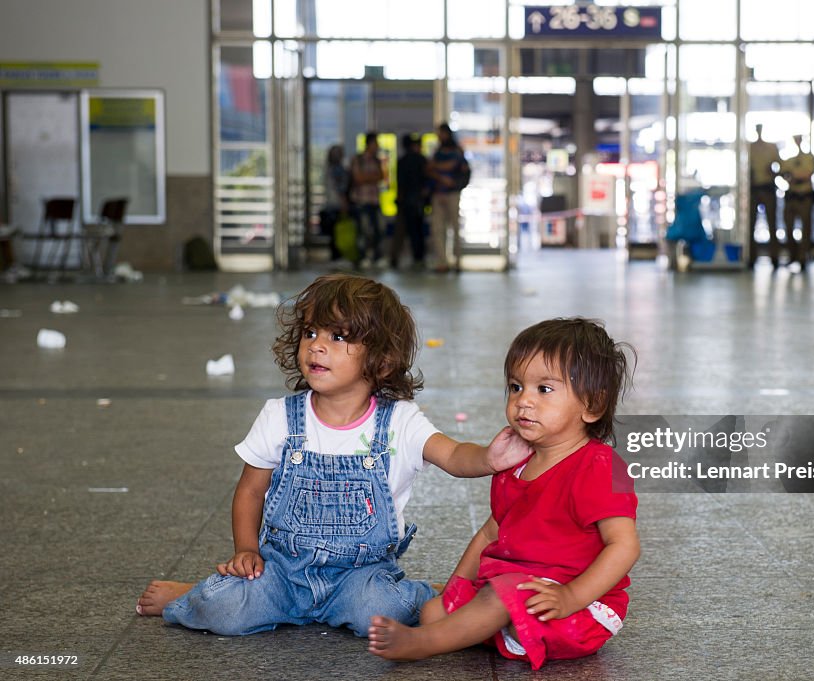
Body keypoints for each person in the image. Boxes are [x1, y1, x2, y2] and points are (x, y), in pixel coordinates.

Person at [136, 274, 531, 637]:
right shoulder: (280, 417)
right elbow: (251, 491)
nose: (317, 345)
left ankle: (428, 594)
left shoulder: (400, 422)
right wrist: (246, 550)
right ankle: (194, 595)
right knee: (223, 610)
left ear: (382, 358)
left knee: (379, 611)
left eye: (338, 337)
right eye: (310, 332)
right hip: (281, 573)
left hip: (360, 577)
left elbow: (453, 455)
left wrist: (489, 459)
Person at [368, 318, 640, 670]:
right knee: (434, 610)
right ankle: (479, 626)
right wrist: (457, 586)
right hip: (512, 587)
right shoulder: (516, 460)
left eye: (543, 389)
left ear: (592, 404)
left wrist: (571, 596)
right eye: (515, 387)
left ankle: (421, 644)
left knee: (497, 596)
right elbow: (491, 532)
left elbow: (624, 545)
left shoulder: (599, 466)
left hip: (578, 607)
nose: (523, 400)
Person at [428, 123, 467, 273]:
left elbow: (457, 167)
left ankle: (457, 261)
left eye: (441, 133)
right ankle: (442, 262)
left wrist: (438, 169)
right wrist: (441, 175)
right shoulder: (437, 151)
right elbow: (430, 169)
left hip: (452, 194)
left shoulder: (457, 151)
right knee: (437, 229)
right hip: (438, 194)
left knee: (455, 227)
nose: (439, 136)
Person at [779, 134, 814, 269]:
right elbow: (784, 173)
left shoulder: (809, 158)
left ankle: (802, 256)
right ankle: (792, 255)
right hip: (792, 197)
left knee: (806, 228)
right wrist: (791, 177)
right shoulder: (789, 159)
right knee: (788, 227)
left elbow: (806, 175)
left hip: (804, 197)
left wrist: (795, 177)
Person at [350, 132, 387, 267]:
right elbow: (358, 178)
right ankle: (363, 257)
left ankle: (377, 257)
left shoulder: (377, 160)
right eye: (376, 143)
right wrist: (372, 177)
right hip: (361, 201)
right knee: (363, 230)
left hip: (375, 201)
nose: (377, 146)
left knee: (378, 229)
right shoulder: (358, 159)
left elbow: (382, 176)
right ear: (369, 143)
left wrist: (367, 177)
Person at [392, 133, 429, 269]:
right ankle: (418, 257)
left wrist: (399, 199)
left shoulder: (402, 161)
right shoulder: (421, 160)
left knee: (404, 231)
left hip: (406, 202)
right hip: (417, 201)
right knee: (417, 231)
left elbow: (400, 183)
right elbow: (426, 180)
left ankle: (395, 258)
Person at [748, 123, 781, 268]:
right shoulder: (750, 148)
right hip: (754, 190)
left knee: (772, 224)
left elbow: (779, 166)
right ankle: (751, 256)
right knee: (751, 225)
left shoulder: (771, 147)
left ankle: (774, 256)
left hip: (768, 189)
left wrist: (772, 173)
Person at [319, 144, 349, 263]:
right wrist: (343, 202)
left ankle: (336, 255)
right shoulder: (337, 169)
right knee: (338, 231)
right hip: (337, 204)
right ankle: (337, 255)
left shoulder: (329, 168)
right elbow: (340, 188)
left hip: (330, 203)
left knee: (334, 232)